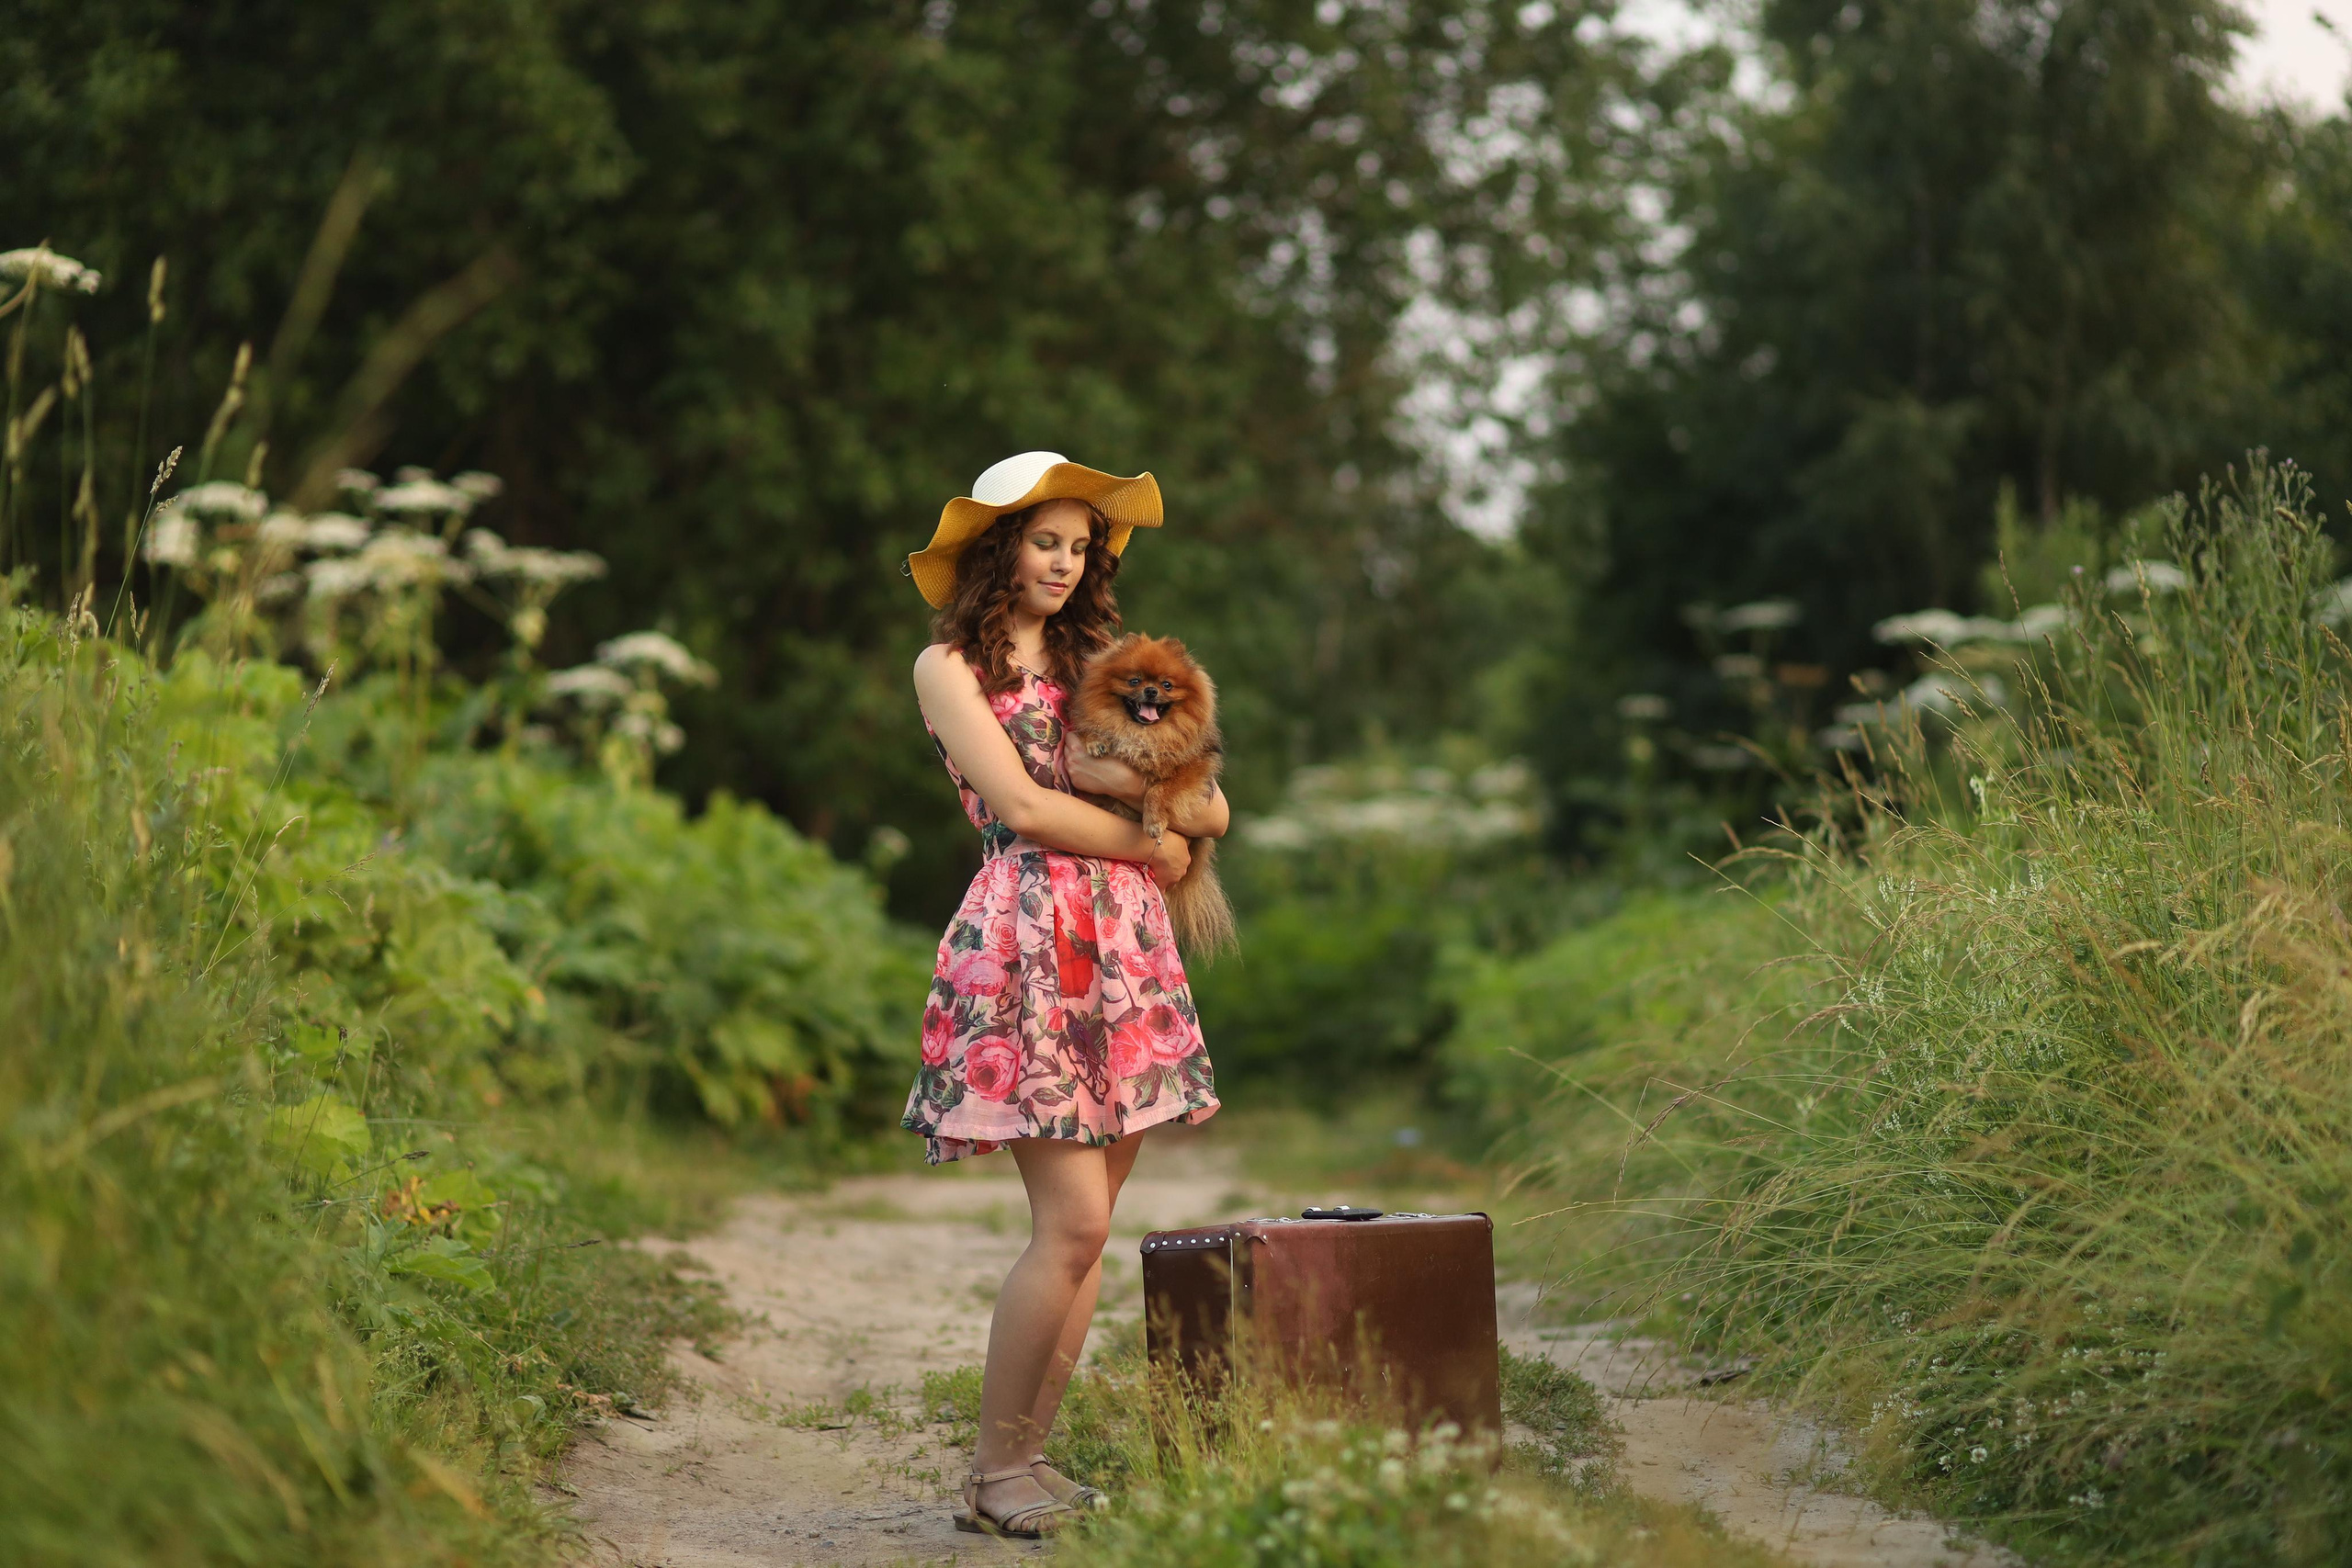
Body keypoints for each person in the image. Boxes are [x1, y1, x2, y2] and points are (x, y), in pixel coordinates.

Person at [900, 451, 1226, 1539]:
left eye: (1080, 547)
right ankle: (995, 1473)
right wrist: (1151, 839)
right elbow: (1026, 811)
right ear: (999, 547)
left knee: (1090, 1233)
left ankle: (1024, 1464)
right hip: (1029, 940)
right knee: (1073, 1221)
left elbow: (1211, 799)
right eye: (1045, 541)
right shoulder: (949, 667)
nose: (1064, 562)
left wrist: (1172, 816)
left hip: (1124, 949)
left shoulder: (1105, 660)